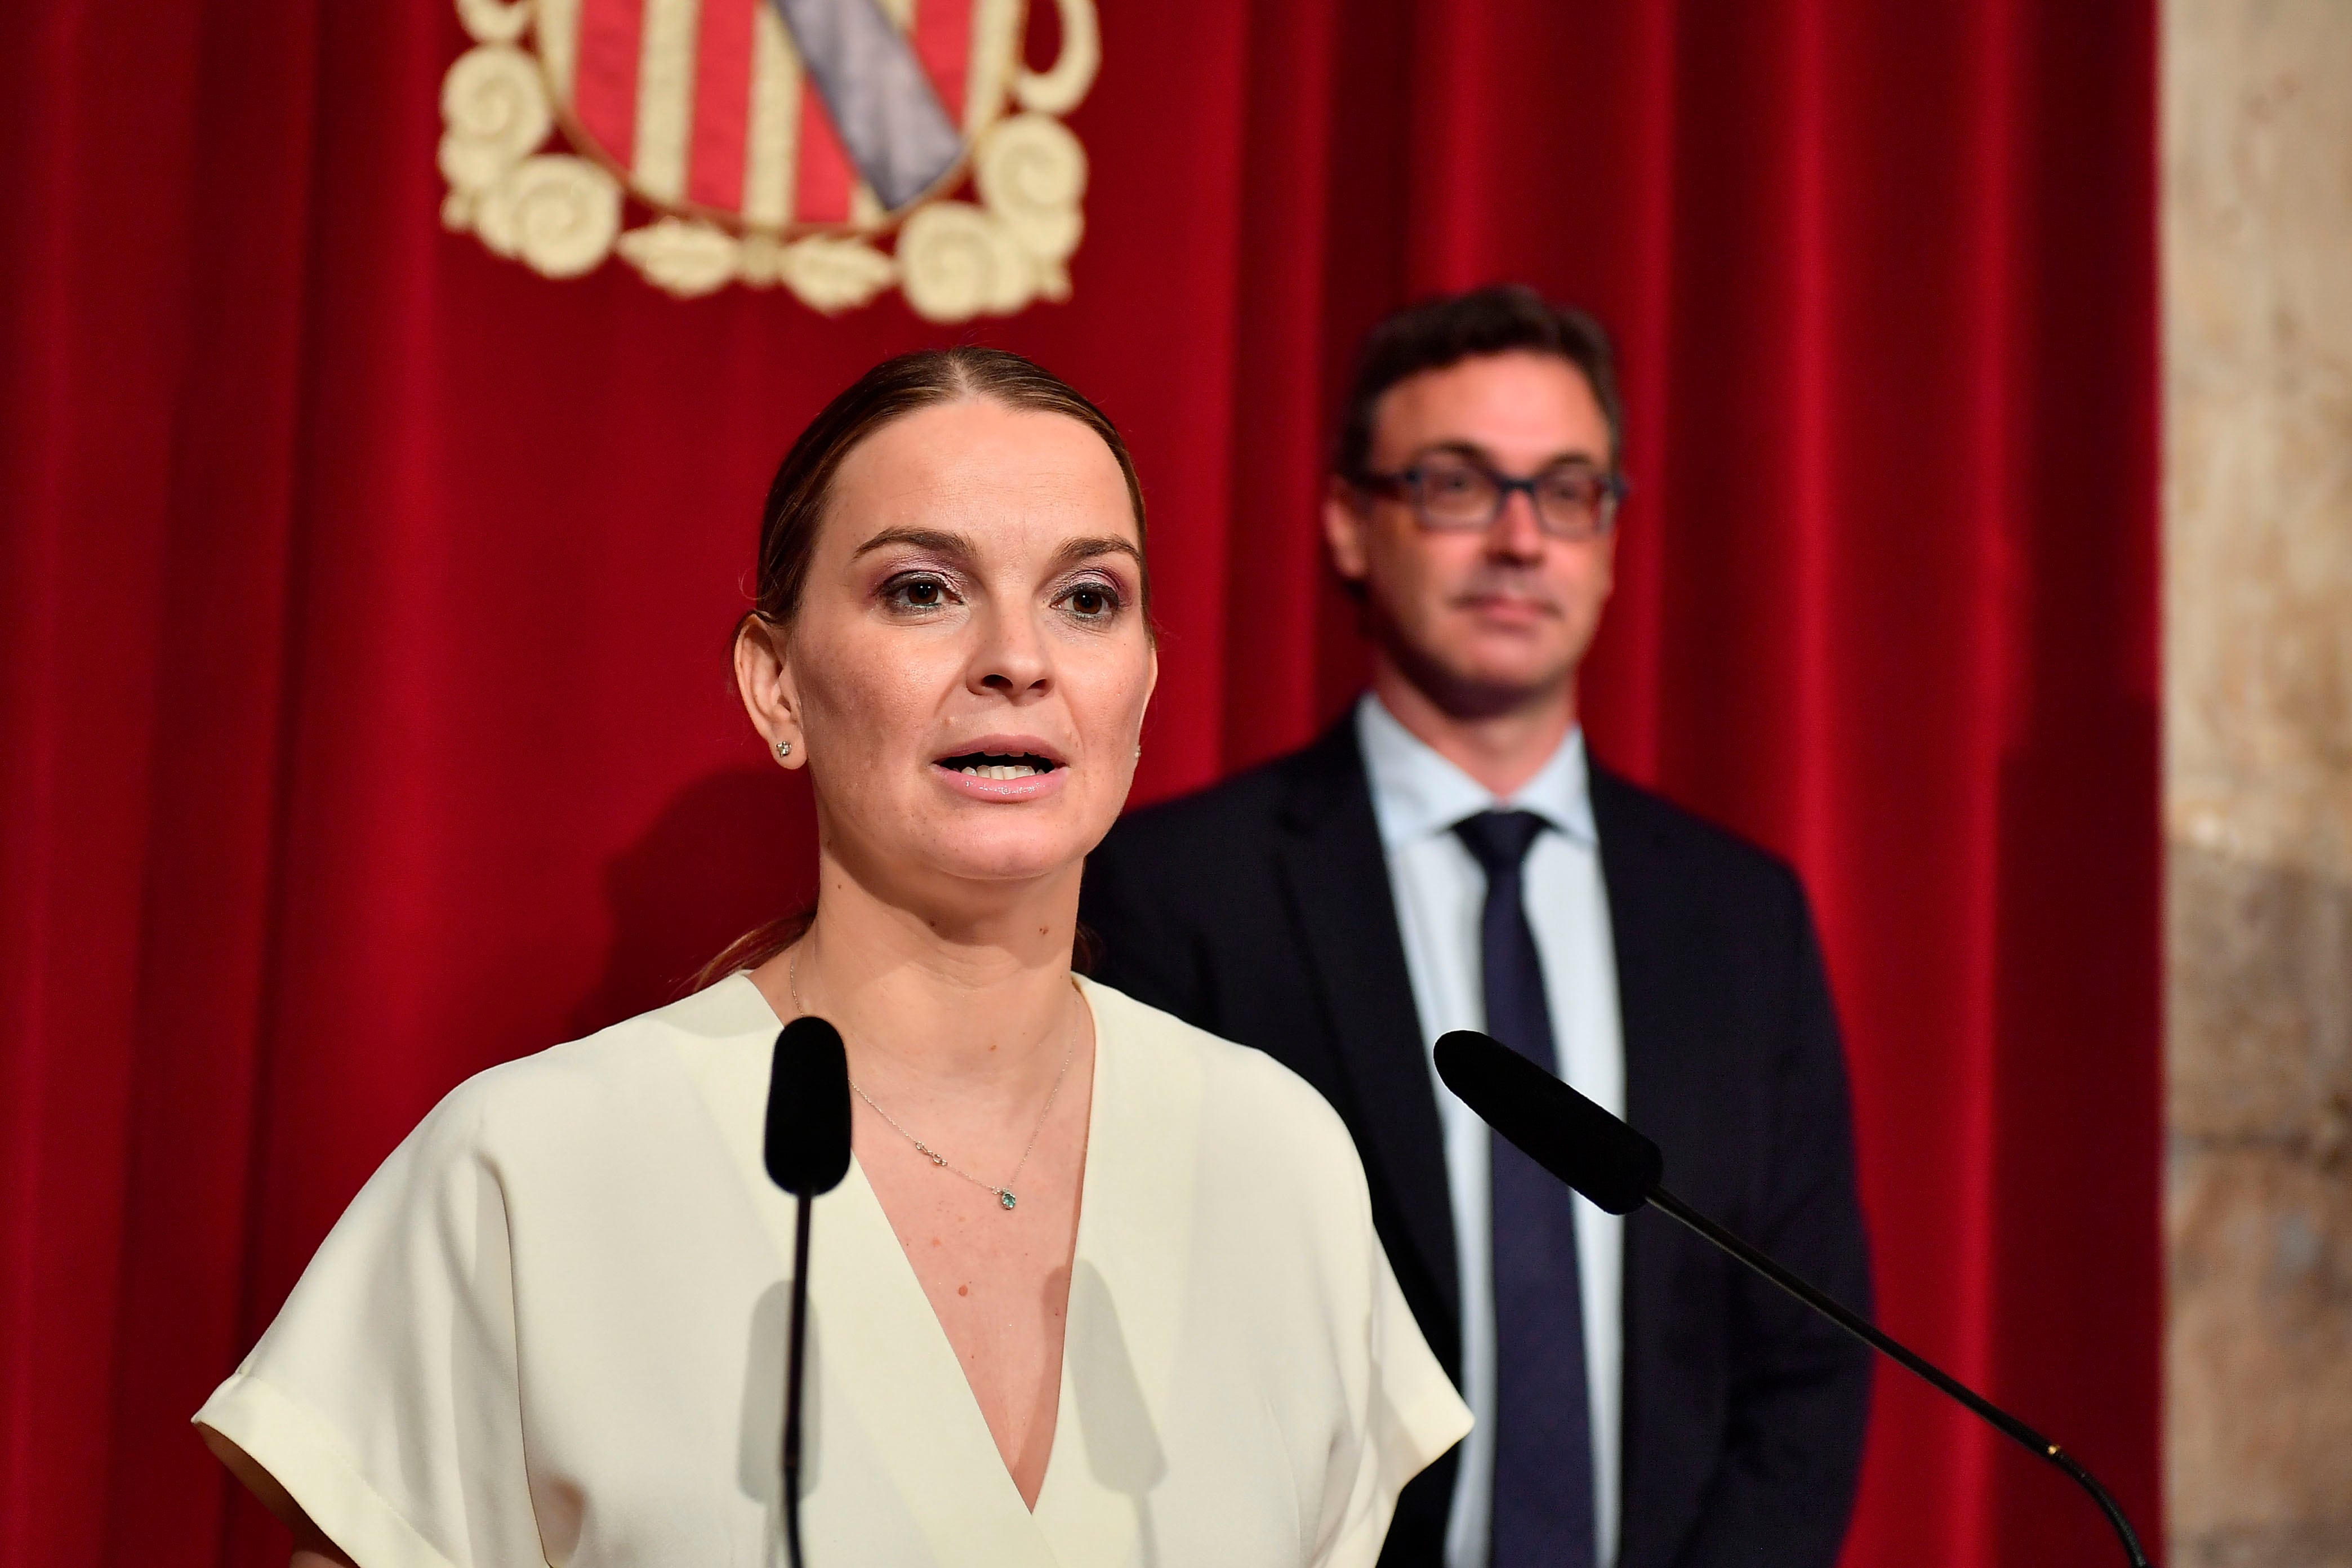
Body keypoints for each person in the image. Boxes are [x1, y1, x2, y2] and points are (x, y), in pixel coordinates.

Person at [195, 348, 1470, 1568]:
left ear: (1143, 684)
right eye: (924, 589)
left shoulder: (1278, 1158)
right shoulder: (530, 1167)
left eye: (1088, 599)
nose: (1018, 662)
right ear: (777, 686)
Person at [1081, 287, 1874, 1568]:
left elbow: (1806, 1358)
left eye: (1567, 493)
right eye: (1458, 486)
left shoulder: (1738, 916)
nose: (1520, 540)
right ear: (1351, 522)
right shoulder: (1180, 890)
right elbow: (1139, 1349)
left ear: (1611, 539)